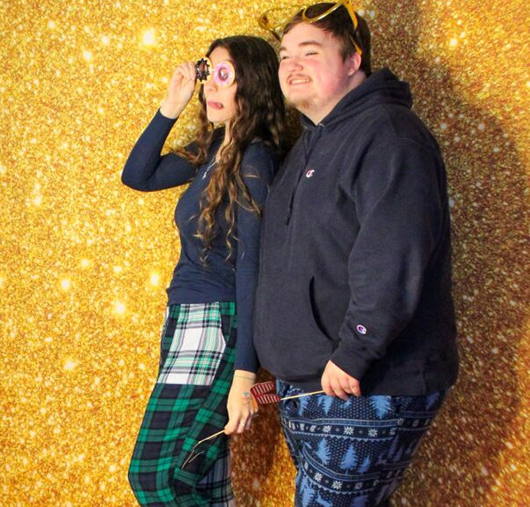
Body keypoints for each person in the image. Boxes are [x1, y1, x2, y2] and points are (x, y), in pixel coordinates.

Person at [253, 2, 459, 506]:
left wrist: (355, 351)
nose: (292, 65)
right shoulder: (308, 145)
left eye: (310, 51)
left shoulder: (387, 133)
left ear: (352, 61)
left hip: (365, 381)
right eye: (285, 55)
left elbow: (394, 251)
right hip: (305, 386)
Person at [123, 35, 288, 506]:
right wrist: (169, 106)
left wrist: (244, 376)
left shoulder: (254, 160)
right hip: (187, 320)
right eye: (207, 72)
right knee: (206, 483)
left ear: (251, 85)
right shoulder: (217, 148)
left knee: (155, 477)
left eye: (225, 75)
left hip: (215, 324)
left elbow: (251, 269)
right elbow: (138, 176)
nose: (210, 86)